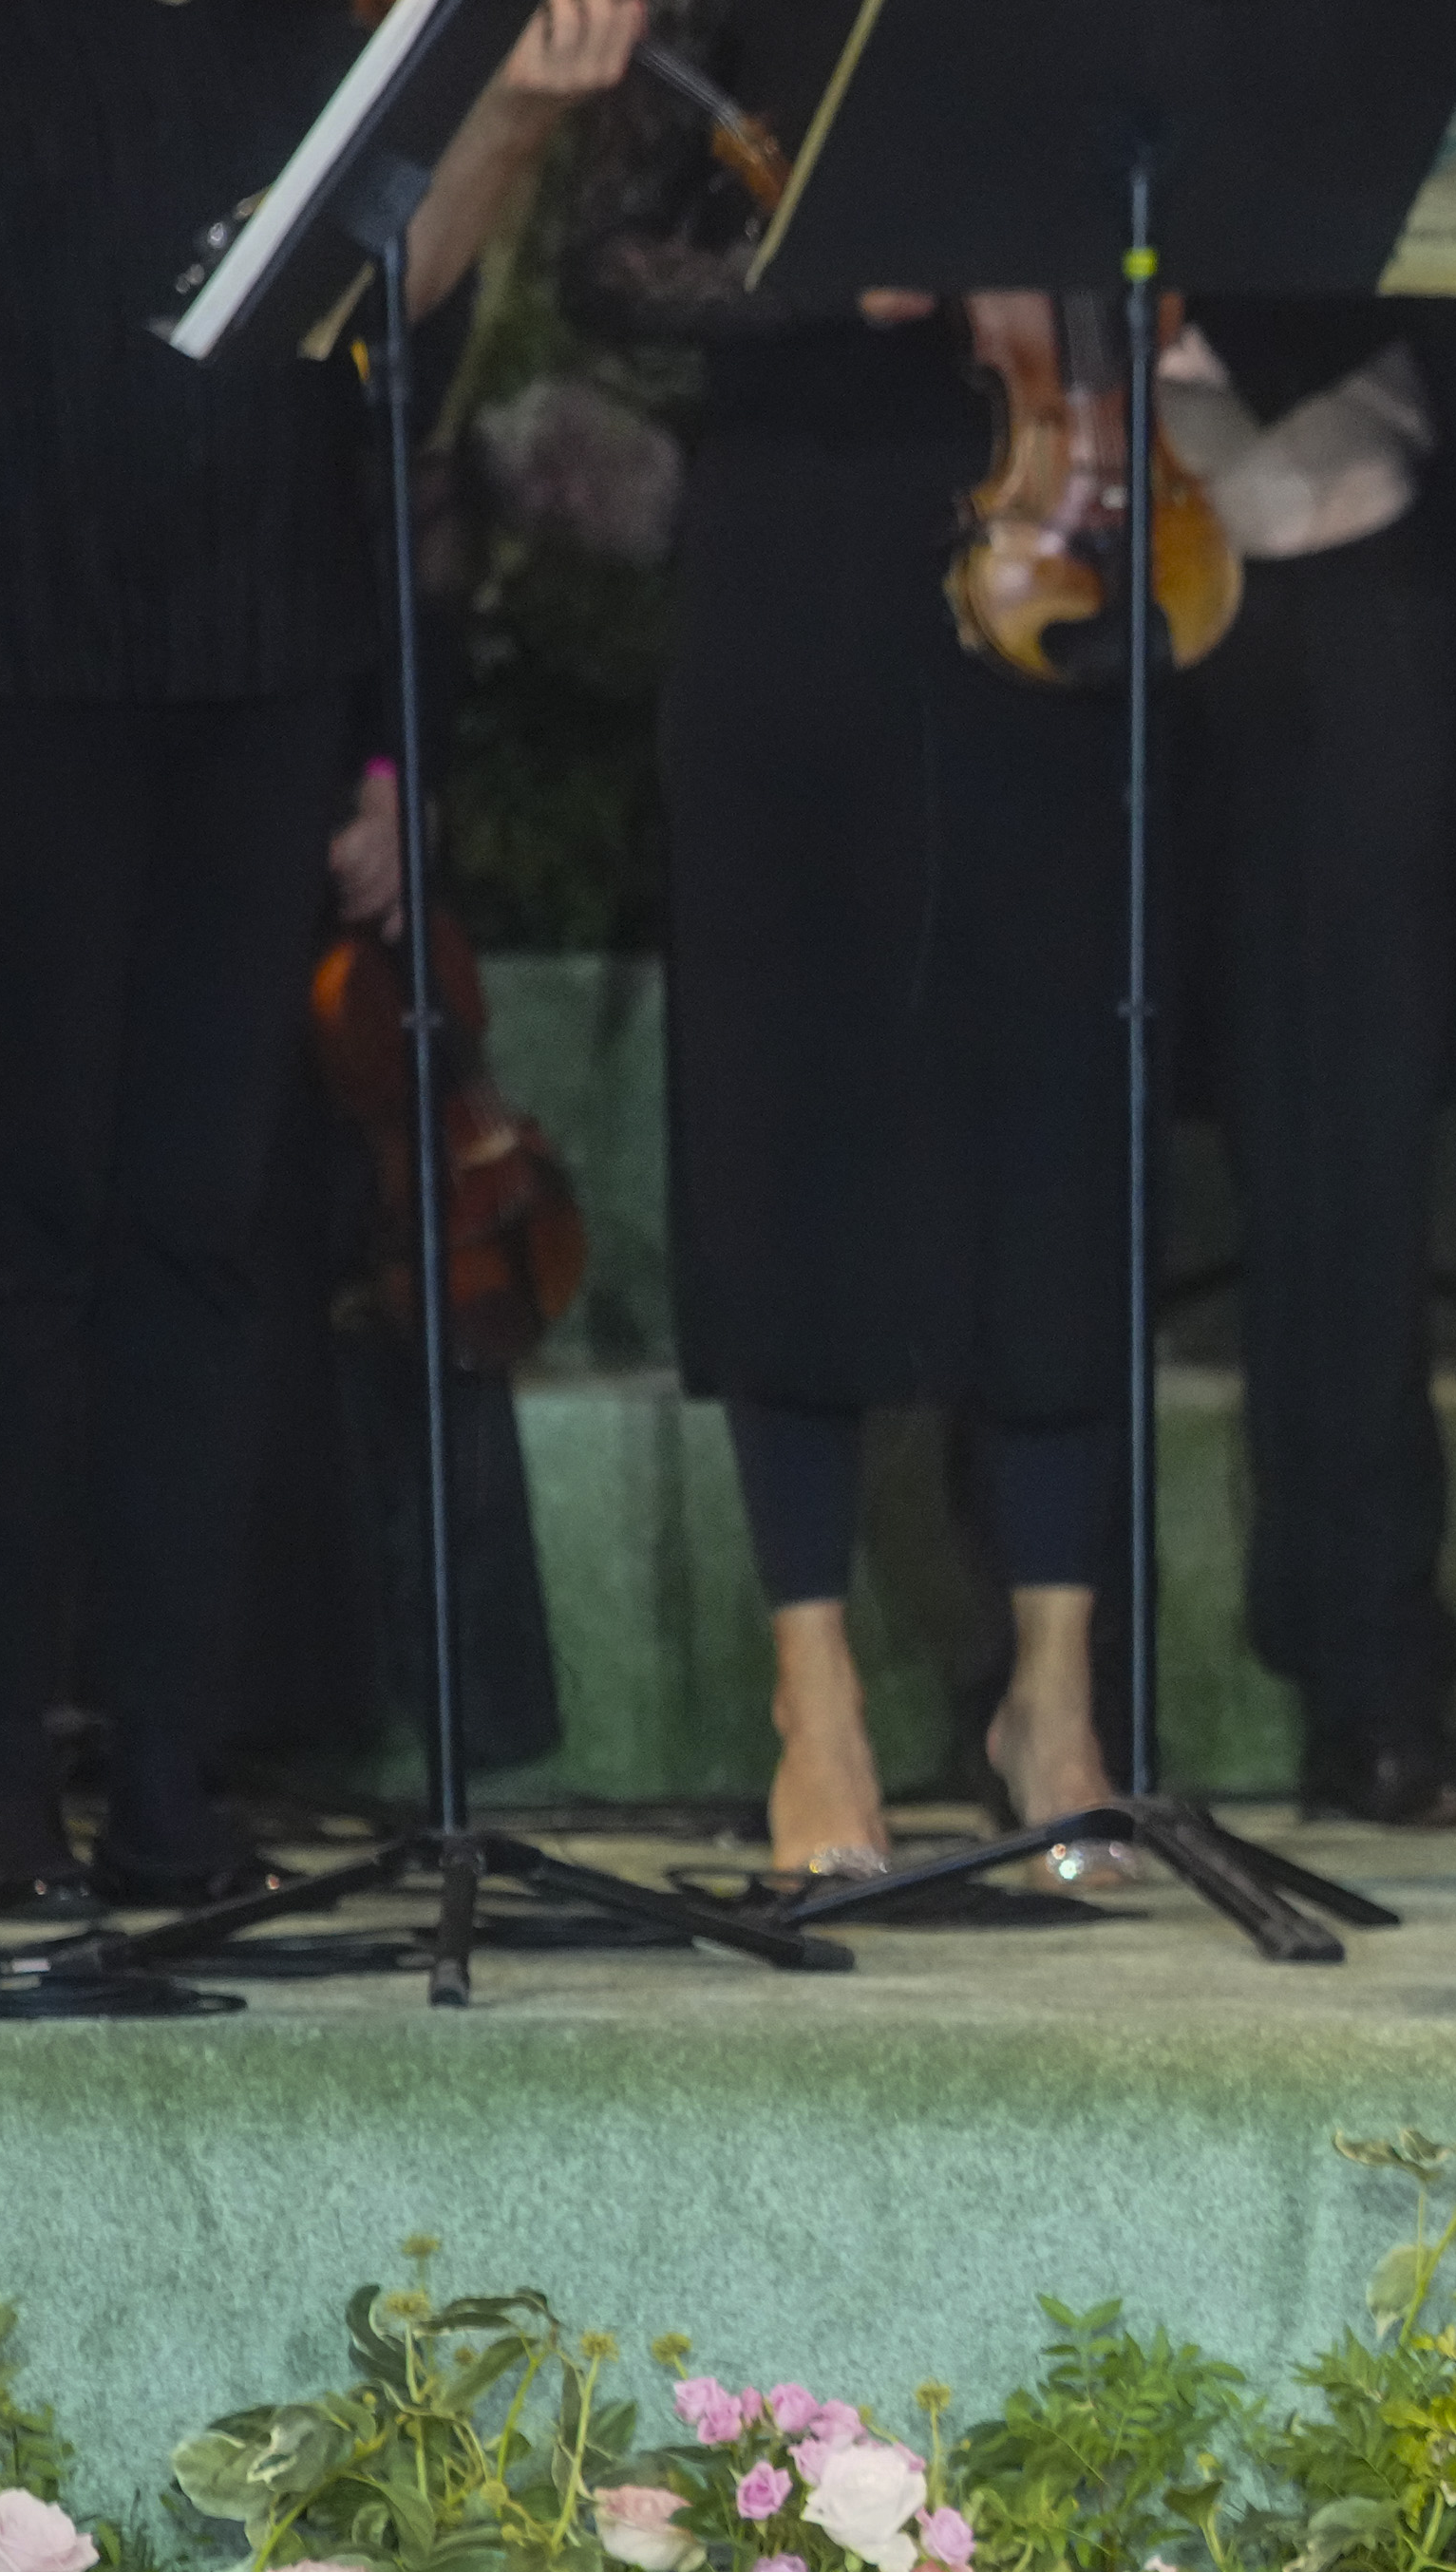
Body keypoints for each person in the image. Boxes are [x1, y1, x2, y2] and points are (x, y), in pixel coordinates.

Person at [0, 0, 633, 1911]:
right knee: (15, 1221)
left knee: (205, 1229)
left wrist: (523, 121)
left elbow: (388, 308)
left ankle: (167, 1767)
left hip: (259, 653)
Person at [568, 0, 1142, 1883]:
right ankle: (810, 1692)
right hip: (796, 564)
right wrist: (841, 281)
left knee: (1054, 1106)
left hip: (1049, 532)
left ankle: (1052, 1691)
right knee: (786, 1105)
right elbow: (610, 266)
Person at [1173, 293, 1456, 1832]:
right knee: (1035, 1131)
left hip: (1353, 561)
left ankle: (1372, 1679)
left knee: (1351, 1171)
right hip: (1043, 558)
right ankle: (1044, 1679)